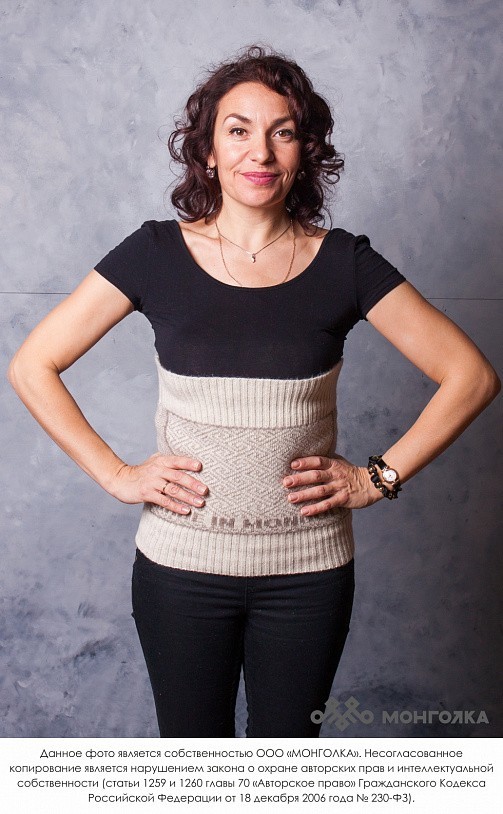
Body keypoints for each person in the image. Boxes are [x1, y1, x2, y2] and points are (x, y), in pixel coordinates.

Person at [8, 45, 500, 739]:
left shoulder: (345, 263)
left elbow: (472, 376)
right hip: (180, 574)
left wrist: (375, 479)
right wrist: (116, 474)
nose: (260, 152)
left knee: (284, 768)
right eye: (238, 130)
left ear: (305, 151)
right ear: (207, 150)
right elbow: (32, 364)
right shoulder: (154, 253)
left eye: (283, 131)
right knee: (195, 766)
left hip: (309, 579)